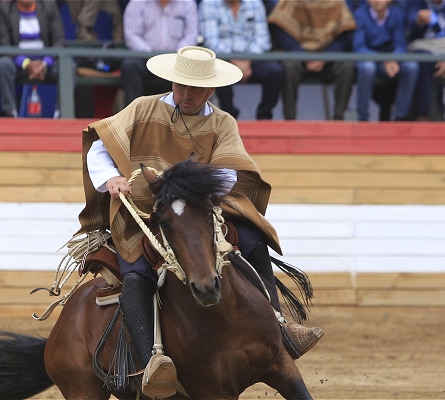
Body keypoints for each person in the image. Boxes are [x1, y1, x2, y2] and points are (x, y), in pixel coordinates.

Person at [79, 46, 324, 399]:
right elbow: (100, 148)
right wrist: (110, 180)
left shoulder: (223, 122)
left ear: (210, 89)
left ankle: (281, 325)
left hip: (201, 210)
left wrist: (189, 185)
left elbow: (229, 175)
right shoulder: (142, 108)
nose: (186, 95)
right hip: (144, 214)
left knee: (254, 237)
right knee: (135, 272)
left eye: (195, 89)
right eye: (181, 86)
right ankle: (153, 360)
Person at [268, 0, 357, 120]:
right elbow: (282, 31)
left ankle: (339, 117)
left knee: (347, 66)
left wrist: (326, 57)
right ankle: (289, 119)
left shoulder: (337, 2)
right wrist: (303, 56)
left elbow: (344, 35)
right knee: (289, 66)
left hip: (328, 57)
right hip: (299, 55)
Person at [198, 0, 283, 120]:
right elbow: (211, 42)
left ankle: (264, 116)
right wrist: (234, 61)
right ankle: (229, 116)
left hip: (253, 56)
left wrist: (247, 60)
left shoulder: (255, 3)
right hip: (224, 57)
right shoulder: (208, 4)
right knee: (217, 70)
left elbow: (263, 38)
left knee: (274, 71)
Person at [120, 0, 198, 106]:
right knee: (129, 65)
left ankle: (178, 117)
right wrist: (150, 54)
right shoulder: (137, 3)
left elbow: (191, 35)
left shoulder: (187, 3)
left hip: (176, 61)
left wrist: (175, 55)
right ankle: (134, 115)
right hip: (145, 58)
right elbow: (131, 35)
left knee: (189, 68)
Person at [0, 0, 65, 117]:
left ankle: (61, 114)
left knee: (67, 67)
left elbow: (59, 41)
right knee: (3, 64)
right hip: (18, 63)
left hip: (46, 63)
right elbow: (4, 44)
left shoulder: (49, 5)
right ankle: (10, 113)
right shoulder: (4, 8)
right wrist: (26, 64)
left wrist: (44, 63)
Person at [353, 0, 418, 121]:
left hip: (390, 62)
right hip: (370, 60)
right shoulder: (360, 15)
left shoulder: (396, 14)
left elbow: (400, 45)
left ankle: (400, 117)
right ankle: (362, 118)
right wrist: (384, 59)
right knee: (367, 68)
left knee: (411, 67)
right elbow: (359, 48)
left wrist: (393, 58)